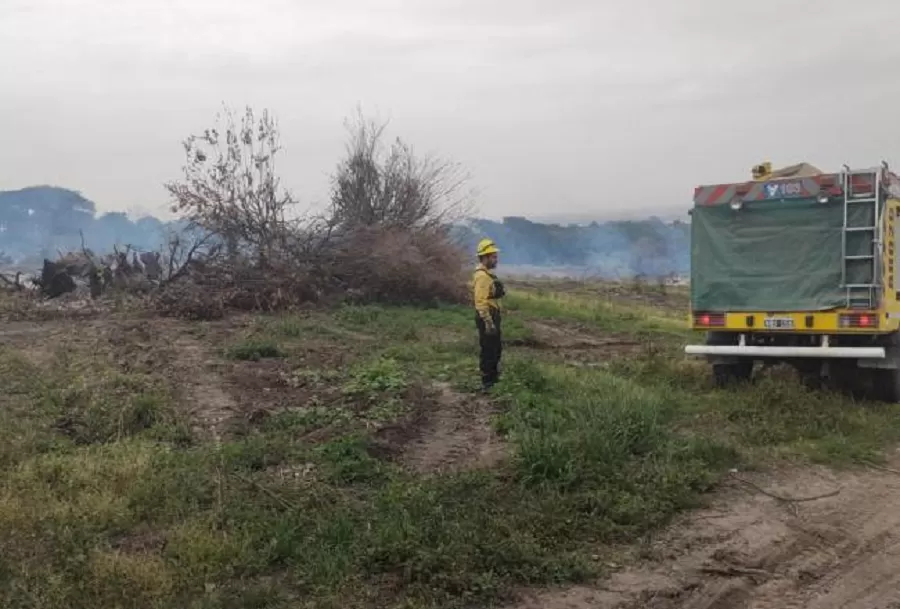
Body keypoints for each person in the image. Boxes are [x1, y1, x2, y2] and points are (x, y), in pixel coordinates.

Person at [472, 238, 506, 392]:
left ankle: (493, 378)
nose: (496, 259)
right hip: (487, 316)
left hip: (492, 315)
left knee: (495, 348)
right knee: (489, 349)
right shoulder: (482, 276)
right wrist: (489, 322)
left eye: (495, 256)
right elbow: (480, 301)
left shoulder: (486, 275)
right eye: (493, 256)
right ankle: (487, 383)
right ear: (484, 258)